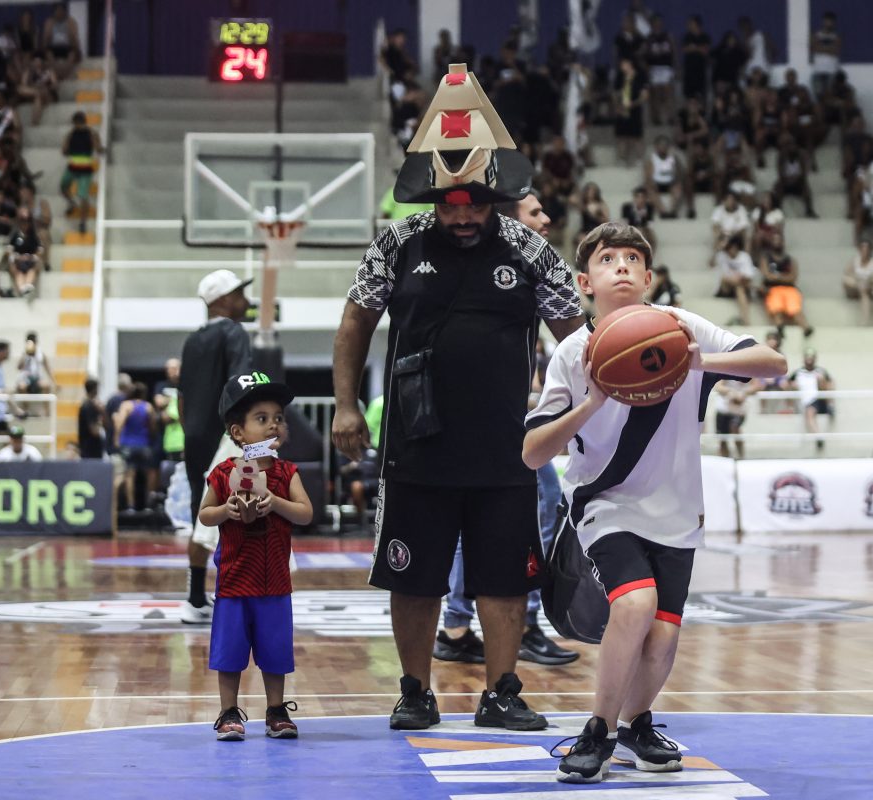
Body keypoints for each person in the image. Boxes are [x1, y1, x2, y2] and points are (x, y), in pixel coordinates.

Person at [331, 64, 584, 732]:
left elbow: (577, 338)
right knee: (413, 577)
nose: (464, 215)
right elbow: (355, 322)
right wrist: (346, 405)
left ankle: (501, 693)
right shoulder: (395, 243)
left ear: (493, 195)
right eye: (451, 204)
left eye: (474, 203)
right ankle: (415, 691)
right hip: (416, 446)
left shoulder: (530, 250)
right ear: (433, 197)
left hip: (506, 449)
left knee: (505, 578)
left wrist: (582, 414)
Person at [523, 222, 786, 783]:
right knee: (635, 606)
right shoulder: (571, 351)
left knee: (664, 634)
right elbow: (531, 452)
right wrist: (591, 404)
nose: (620, 265)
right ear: (584, 282)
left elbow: (774, 363)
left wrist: (700, 362)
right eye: (606, 258)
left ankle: (636, 723)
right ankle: (598, 730)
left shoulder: (683, 328)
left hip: (677, 509)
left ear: (648, 278)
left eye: (631, 258)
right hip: (604, 504)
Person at [434, 191, 581, 668]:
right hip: (497, 427)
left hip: (493, 423)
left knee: (472, 524)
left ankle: (457, 624)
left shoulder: (525, 274)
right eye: (535, 212)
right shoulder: (504, 267)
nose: (546, 219)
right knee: (540, 507)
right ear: (510, 219)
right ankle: (525, 623)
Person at [200, 372, 313, 741]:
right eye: (261, 418)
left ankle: (276, 710)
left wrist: (276, 502)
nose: (273, 424)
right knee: (230, 652)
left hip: (275, 582)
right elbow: (205, 515)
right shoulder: (223, 474)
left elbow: (306, 513)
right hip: (234, 582)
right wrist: (227, 510)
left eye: (278, 417)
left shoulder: (286, 472)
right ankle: (228, 711)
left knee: (275, 651)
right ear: (238, 432)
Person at [179, 269, 253, 624]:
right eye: (239, 294)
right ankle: (237, 596)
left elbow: (181, 398)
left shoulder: (192, 341)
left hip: (194, 438)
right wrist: (243, 435)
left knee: (201, 515)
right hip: (226, 437)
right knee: (241, 513)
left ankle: (195, 598)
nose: (245, 300)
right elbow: (240, 385)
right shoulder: (234, 333)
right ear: (222, 300)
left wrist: (191, 432)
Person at [114, 382, 155, 513]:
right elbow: (152, 426)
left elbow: (120, 423)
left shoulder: (126, 405)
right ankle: (147, 505)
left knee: (129, 475)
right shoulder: (148, 406)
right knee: (146, 474)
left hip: (128, 444)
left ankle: (131, 505)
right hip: (143, 444)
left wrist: (116, 438)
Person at [759, 232, 811, 337]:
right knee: (776, 307)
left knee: (794, 308)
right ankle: (780, 327)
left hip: (790, 289)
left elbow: (793, 278)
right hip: (773, 289)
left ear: (783, 242)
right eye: (774, 240)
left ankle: (805, 327)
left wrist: (776, 277)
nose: (777, 243)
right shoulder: (766, 258)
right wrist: (784, 277)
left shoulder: (790, 259)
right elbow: (767, 276)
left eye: (779, 240)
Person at [60, 111, 103, 234]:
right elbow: (64, 151)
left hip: (85, 170)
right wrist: (67, 143)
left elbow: (98, 149)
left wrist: (97, 142)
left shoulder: (91, 133)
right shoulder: (71, 134)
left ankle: (82, 222)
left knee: (83, 195)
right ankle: (72, 203)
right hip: (72, 168)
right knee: (63, 187)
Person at [791, 349, 833, 450]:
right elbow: (788, 383)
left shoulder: (821, 372)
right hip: (807, 401)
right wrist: (793, 386)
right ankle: (818, 436)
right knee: (809, 412)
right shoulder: (798, 373)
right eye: (807, 357)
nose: (809, 359)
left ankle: (830, 407)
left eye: (811, 357)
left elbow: (830, 384)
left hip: (819, 399)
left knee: (809, 412)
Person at [712, 236, 756, 326]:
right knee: (725, 278)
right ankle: (746, 321)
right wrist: (718, 249)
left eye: (735, 248)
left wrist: (739, 280)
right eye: (730, 248)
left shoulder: (744, 257)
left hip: (740, 287)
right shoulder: (722, 256)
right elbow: (711, 264)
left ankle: (745, 320)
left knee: (739, 289)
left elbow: (749, 277)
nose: (732, 250)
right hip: (725, 288)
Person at [613, 58, 648, 166]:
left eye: (624, 64)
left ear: (630, 64)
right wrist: (617, 106)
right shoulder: (620, 76)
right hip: (622, 110)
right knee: (621, 136)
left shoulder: (640, 76)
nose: (621, 66)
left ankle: (639, 159)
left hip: (635, 110)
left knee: (636, 136)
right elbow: (615, 93)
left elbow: (644, 96)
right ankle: (621, 159)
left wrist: (633, 104)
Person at [842, 239, 873, 325]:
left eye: (866, 248)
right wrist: (858, 280)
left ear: (870, 250)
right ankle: (861, 286)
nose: (864, 251)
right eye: (862, 248)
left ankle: (865, 320)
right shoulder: (854, 261)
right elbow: (847, 274)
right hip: (856, 286)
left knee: (864, 290)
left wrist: (868, 281)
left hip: (869, 288)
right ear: (859, 249)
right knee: (846, 280)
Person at [7, 206, 41, 298]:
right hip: (18, 261)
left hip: (30, 261)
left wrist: (31, 257)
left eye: (27, 221)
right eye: (22, 221)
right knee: (18, 272)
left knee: (32, 270)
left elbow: (39, 250)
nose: (25, 224)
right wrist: (17, 257)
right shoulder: (15, 235)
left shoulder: (33, 236)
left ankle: (28, 285)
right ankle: (21, 288)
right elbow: (9, 250)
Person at [41, 3, 80, 80]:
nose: (59, 13)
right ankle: (56, 74)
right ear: (54, 12)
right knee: (49, 54)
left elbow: (75, 38)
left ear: (64, 12)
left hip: (67, 46)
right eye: (57, 11)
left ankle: (66, 74)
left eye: (61, 10)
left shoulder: (70, 22)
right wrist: (46, 43)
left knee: (72, 54)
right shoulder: (49, 22)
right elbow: (45, 39)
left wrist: (76, 48)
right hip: (53, 47)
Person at [809, 11, 841, 100]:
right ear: (823, 21)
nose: (829, 23)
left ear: (834, 23)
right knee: (818, 98)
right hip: (818, 70)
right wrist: (829, 48)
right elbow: (813, 48)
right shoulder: (816, 35)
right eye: (827, 21)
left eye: (831, 21)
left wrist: (821, 48)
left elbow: (836, 51)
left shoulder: (837, 36)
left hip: (832, 71)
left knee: (830, 97)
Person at [77, 377, 105, 460]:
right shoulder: (89, 407)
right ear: (95, 389)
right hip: (90, 450)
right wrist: (100, 420)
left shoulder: (88, 405)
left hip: (89, 449)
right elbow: (94, 431)